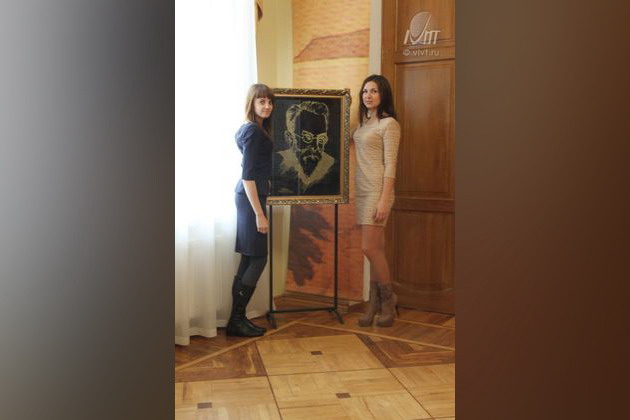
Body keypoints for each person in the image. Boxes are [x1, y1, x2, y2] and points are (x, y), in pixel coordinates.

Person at [353, 74, 401, 328]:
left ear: (383, 94)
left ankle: (388, 300)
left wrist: (383, 200)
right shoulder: (363, 124)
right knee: (376, 250)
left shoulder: (389, 124)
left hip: (377, 191)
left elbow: (391, 164)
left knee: (368, 248)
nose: (368, 95)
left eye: (373, 91)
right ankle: (373, 305)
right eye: (365, 91)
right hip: (362, 190)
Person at [227, 84, 275, 337]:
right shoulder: (254, 131)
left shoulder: (250, 129)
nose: (267, 106)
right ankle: (236, 320)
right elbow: (247, 176)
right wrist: (259, 213)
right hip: (250, 200)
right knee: (258, 258)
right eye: (261, 102)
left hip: (248, 197)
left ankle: (236, 320)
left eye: (269, 102)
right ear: (252, 104)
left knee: (249, 257)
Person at [273, 101, 338, 195]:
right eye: (307, 138)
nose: (315, 147)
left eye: (321, 139)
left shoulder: (332, 166)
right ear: (289, 138)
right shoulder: (278, 163)